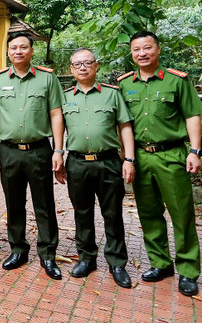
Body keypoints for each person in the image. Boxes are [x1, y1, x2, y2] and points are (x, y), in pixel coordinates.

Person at [118, 31, 202, 297]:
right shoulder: (124, 84)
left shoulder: (177, 80)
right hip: (140, 157)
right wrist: (126, 157)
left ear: (158, 49)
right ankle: (160, 263)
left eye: (147, 48)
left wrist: (194, 151)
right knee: (149, 213)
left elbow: (192, 115)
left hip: (171, 155)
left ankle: (188, 270)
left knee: (181, 213)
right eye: (136, 49)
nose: (142, 53)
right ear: (131, 53)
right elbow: (122, 123)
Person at [0, 31, 65, 279]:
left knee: (44, 204)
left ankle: (48, 254)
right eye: (13, 48)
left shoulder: (47, 79)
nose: (18, 51)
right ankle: (18, 250)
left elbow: (56, 114)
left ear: (31, 51)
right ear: (8, 52)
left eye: (23, 47)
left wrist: (58, 149)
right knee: (14, 203)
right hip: (9, 151)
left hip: (39, 150)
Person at [58, 48, 135, 288]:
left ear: (96, 66)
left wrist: (129, 159)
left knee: (112, 213)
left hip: (108, 161)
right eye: (77, 64)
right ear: (71, 69)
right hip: (77, 162)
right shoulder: (64, 97)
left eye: (87, 63)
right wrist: (58, 155)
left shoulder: (112, 94)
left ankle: (117, 262)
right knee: (82, 213)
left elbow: (125, 126)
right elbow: (57, 129)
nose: (82, 67)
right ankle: (86, 258)